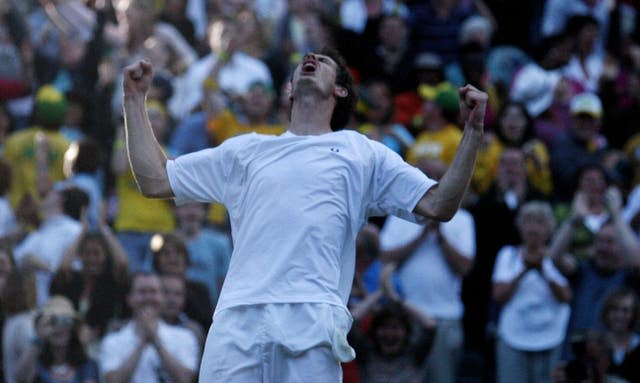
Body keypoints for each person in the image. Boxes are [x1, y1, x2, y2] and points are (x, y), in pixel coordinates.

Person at [122, 46, 487, 381]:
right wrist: (134, 101)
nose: (311, 57)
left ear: (341, 90)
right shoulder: (246, 150)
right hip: (237, 320)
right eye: (303, 62)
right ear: (289, 89)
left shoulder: (362, 152)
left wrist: (472, 132)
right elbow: (155, 179)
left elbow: (439, 204)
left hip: (313, 321)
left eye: (325, 62)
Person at [492, 201, 572, 383]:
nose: (533, 228)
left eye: (540, 222)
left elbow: (566, 297)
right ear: (520, 226)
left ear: (549, 228)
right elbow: (499, 295)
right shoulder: (508, 255)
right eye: (528, 221)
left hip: (551, 337)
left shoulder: (558, 258)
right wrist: (523, 270)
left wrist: (542, 268)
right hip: (513, 337)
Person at [99, 272, 200, 383]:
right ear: (129, 299)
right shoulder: (113, 341)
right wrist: (141, 343)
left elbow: (185, 379)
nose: (148, 297)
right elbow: (113, 381)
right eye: (142, 292)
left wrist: (156, 341)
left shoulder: (184, 337)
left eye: (153, 291)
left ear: (162, 297)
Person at [15, 295, 99, 383]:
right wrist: (38, 338)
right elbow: (20, 379)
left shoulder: (86, 366)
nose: (59, 328)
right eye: (52, 322)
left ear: (72, 328)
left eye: (65, 321)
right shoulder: (37, 365)